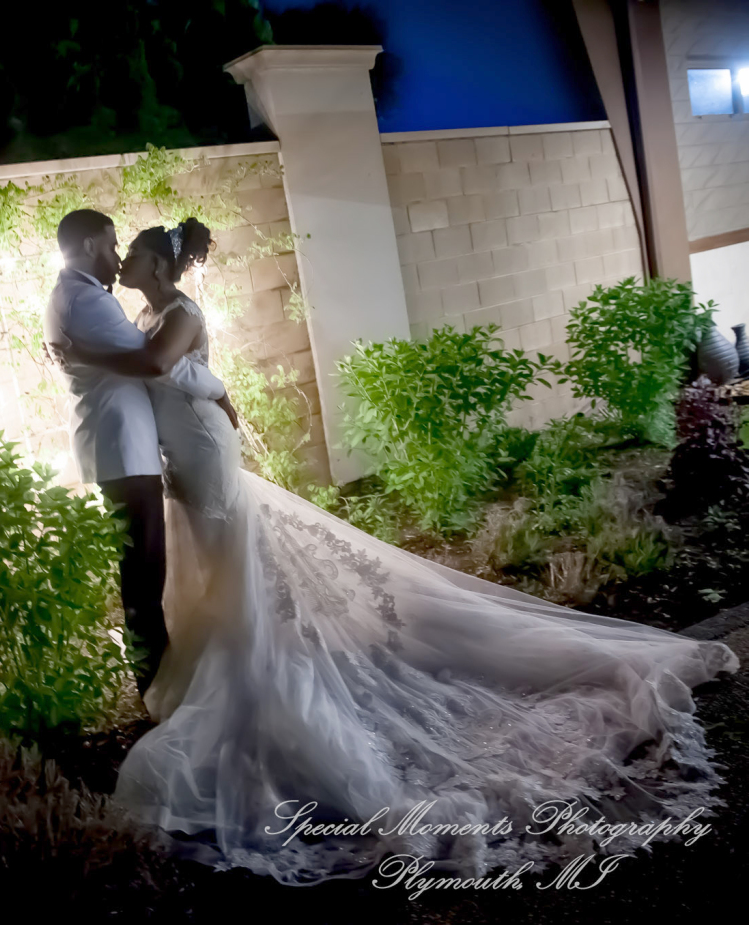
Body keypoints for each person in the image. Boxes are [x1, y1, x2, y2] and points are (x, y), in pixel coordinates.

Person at [56, 216, 740, 886]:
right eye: (124, 254)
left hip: (204, 453)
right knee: (225, 562)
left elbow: (167, 370)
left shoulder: (175, 314)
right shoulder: (141, 318)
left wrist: (189, 387)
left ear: (158, 264)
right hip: (185, 459)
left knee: (234, 558)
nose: (125, 264)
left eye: (136, 256)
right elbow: (162, 375)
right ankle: (249, 651)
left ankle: (262, 667)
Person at [42, 209, 238, 699]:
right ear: (88, 247)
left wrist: (218, 390)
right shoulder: (88, 301)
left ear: (155, 266)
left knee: (173, 568)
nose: (118, 256)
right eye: (113, 246)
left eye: (128, 250)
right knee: (146, 578)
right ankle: (159, 689)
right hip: (126, 450)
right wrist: (218, 389)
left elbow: (159, 364)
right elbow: (155, 362)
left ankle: (202, 666)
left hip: (165, 446)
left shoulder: (108, 302)